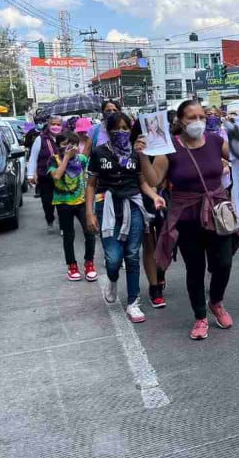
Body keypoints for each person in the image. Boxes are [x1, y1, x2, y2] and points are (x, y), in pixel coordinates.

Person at [137, 100, 239, 340]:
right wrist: (142, 156)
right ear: (180, 121)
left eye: (202, 117)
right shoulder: (169, 148)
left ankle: (216, 302)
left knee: (224, 263)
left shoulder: (216, 141)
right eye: (192, 118)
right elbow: (154, 180)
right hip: (186, 217)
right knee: (195, 269)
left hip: (217, 214)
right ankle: (200, 316)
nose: (198, 122)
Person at [85, 112, 166, 324]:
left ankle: (133, 302)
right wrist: (89, 212)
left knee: (132, 254)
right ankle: (112, 279)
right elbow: (91, 184)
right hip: (108, 207)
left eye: (125, 128)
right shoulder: (99, 152)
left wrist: (155, 197)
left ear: (130, 130)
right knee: (113, 258)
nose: (120, 132)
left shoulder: (135, 153)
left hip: (134, 205)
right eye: (116, 128)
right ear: (108, 130)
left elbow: (142, 182)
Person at [48, 131, 96, 282]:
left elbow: (92, 175)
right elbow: (56, 176)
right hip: (63, 203)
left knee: (90, 232)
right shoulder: (53, 160)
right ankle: (72, 266)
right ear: (58, 146)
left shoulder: (81, 159)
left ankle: (89, 263)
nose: (70, 148)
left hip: (81, 202)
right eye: (65, 145)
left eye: (73, 145)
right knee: (69, 236)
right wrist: (66, 158)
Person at [130, 119, 167, 309]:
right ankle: (155, 288)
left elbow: (160, 179)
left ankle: (160, 273)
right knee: (149, 244)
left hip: (165, 201)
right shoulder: (130, 151)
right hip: (139, 201)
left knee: (166, 245)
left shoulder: (164, 150)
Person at [28, 115, 64, 232]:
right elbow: (33, 157)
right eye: (53, 124)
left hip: (62, 176)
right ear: (48, 125)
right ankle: (50, 219)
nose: (56, 126)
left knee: (63, 202)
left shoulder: (65, 137)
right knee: (47, 201)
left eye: (58, 124)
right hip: (45, 176)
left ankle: (64, 226)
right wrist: (30, 174)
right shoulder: (40, 139)